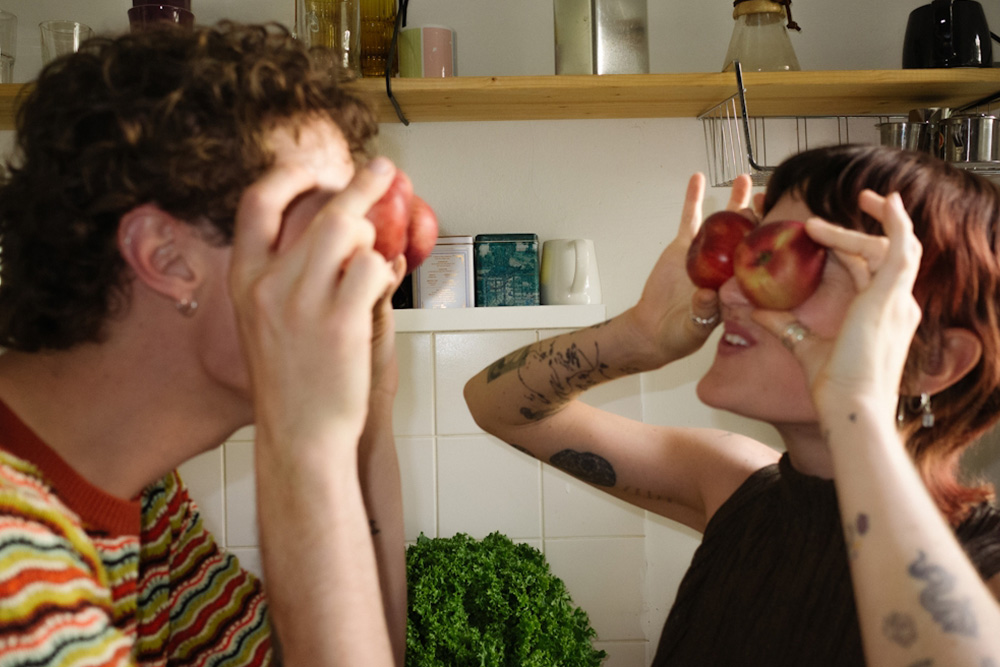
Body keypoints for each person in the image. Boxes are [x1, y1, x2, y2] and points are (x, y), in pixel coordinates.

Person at [464, 144, 1000, 666]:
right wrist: (639, 335)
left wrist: (856, 408)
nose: (735, 290)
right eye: (757, 251)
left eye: (807, 264)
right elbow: (496, 405)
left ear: (935, 361)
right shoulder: (734, 485)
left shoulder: (987, 570)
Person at [0, 22, 409, 666]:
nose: (367, 254)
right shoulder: (13, 561)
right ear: (165, 256)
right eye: (318, 216)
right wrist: (304, 445)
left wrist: (368, 408)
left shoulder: (146, 500)